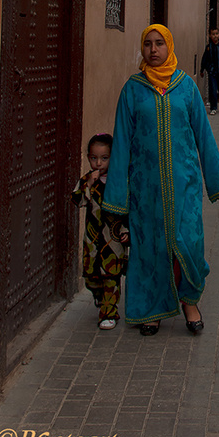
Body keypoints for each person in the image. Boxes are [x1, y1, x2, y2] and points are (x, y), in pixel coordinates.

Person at [102, 24, 219, 336]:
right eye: (148, 44)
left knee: (189, 243)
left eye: (160, 43)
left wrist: (214, 180)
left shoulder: (185, 87)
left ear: (169, 46)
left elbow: (203, 134)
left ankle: (190, 301)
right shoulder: (132, 89)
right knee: (150, 247)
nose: (154, 50)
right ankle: (152, 308)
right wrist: (117, 197)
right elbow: (121, 144)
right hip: (145, 189)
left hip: (184, 183)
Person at [72, 133, 129, 330]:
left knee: (111, 276)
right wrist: (88, 185)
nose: (98, 163)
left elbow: (128, 207)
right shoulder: (87, 180)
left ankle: (109, 311)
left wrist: (126, 230)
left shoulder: (119, 181)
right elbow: (77, 200)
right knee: (91, 276)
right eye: (94, 158)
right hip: (92, 237)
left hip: (112, 238)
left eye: (104, 158)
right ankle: (99, 297)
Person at [200, 28, 219, 115]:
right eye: (213, 34)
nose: (215, 36)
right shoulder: (209, 47)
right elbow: (204, 59)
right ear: (210, 35)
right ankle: (213, 107)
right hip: (212, 71)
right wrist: (202, 69)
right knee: (212, 89)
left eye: (216, 34)